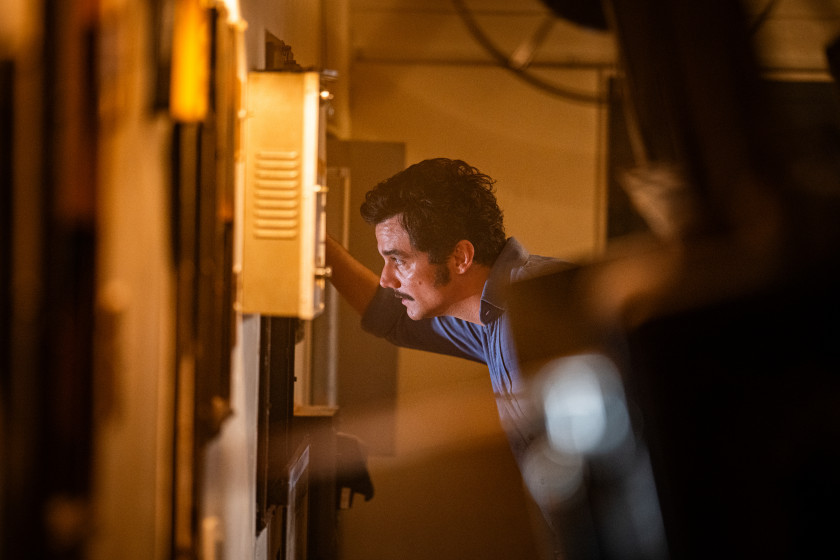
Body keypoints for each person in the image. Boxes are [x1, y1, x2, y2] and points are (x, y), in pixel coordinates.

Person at [324, 157, 574, 556]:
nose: (387, 278)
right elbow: (393, 320)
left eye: (398, 260)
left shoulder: (541, 306)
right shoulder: (492, 315)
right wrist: (317, 247)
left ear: (460, 257)